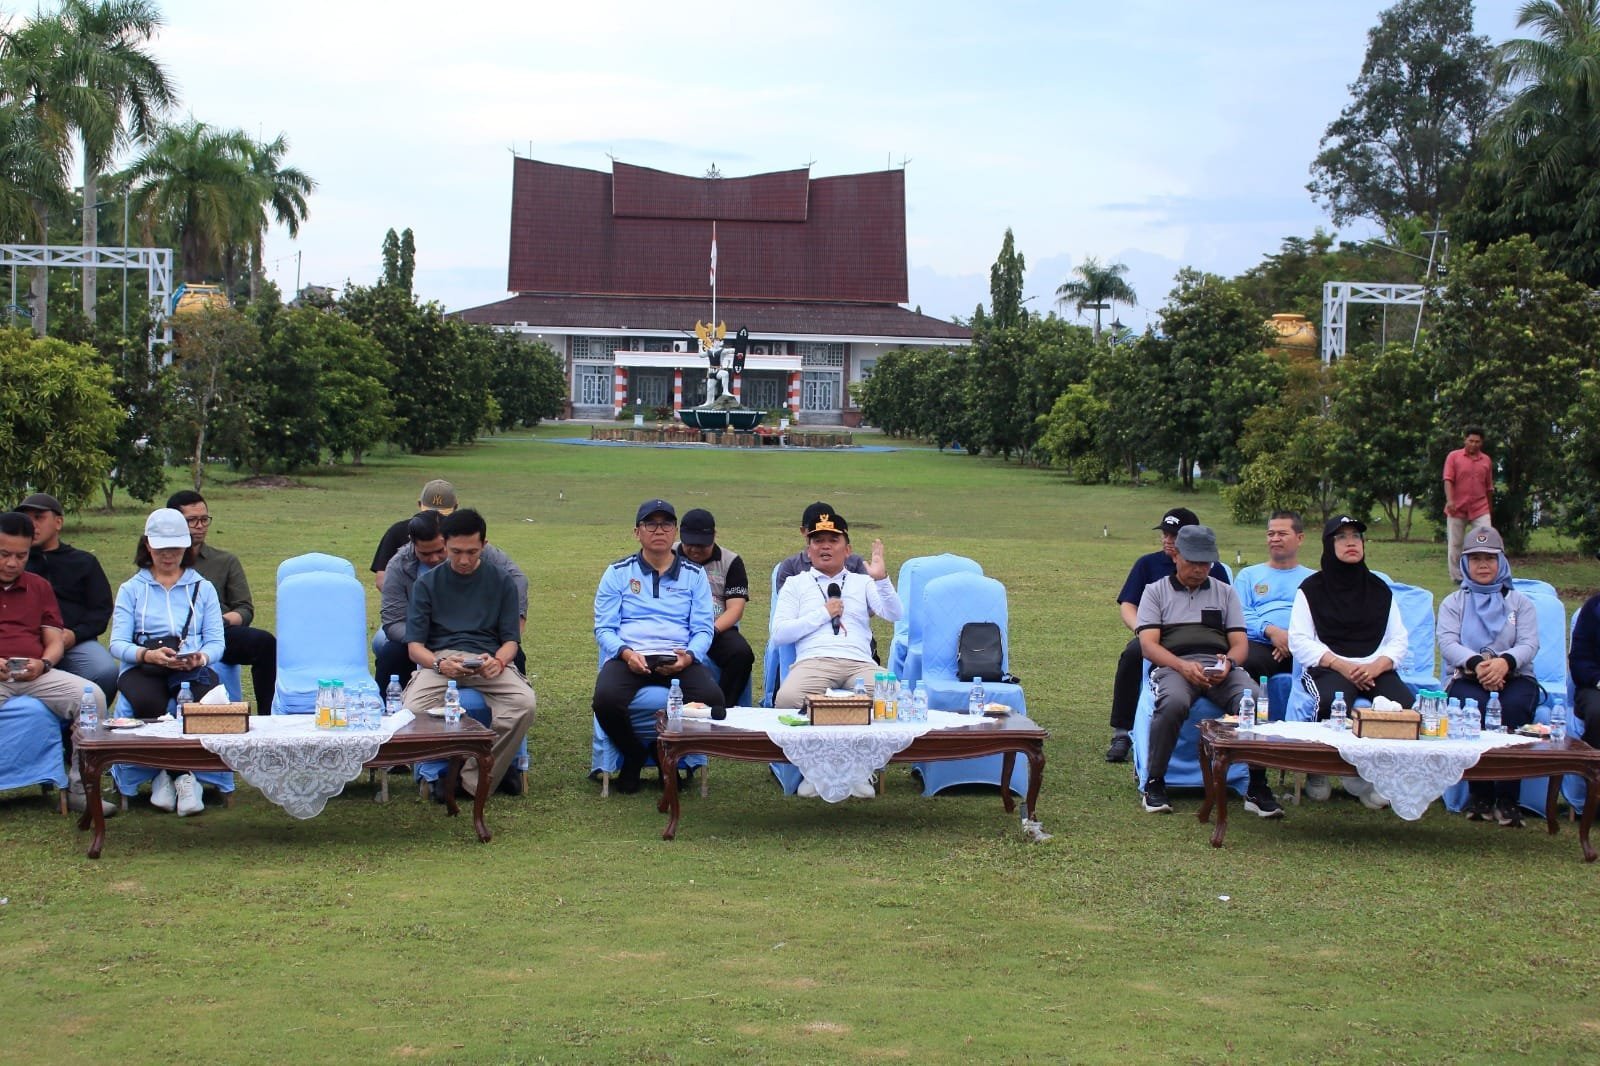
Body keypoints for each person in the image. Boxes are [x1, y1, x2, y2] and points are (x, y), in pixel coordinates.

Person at [1135, 524, 1282, 818]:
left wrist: (1229, 664)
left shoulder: (1225, 592)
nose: (1200, 569)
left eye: (1206, 563)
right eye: (1193, 562)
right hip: (1173, 665)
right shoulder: (1155, 592)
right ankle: (1155, 780)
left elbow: (1240, 644)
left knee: (1253, 700)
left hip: (1218, 666)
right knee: (1173, 702)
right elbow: (1148, 646)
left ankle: (1257, 784)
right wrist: (1181, 666)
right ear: (1176, 555)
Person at [592, 499, 724, 794]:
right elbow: (604, 628)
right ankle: (633, 754)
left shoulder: (694, 574)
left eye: (666, 524)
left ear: (675, 531)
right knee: (605, 700)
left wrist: (689, 657)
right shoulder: (618, 572)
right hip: (631, 655)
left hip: (677, 655)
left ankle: (666, 752)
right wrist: (626, 653)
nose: (659, 530)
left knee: (713, 699)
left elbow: (703, 629)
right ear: (636, 532)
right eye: (650, 524)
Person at [405, 508, 536, 800]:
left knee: (523, 703)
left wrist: (499, 661)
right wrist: (439, 664)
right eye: (456, 552)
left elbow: (511, 641)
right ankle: (441, 771)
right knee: (411, 709)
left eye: (472, 552)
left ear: (484, 546)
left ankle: (472, 779)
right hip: (443, 659)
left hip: (487, 658)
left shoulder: (502, 581)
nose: (464, 560)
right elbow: (415, 647)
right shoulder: (426, 584)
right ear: (444, 545)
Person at [772, 509, 902, 798]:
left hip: (859, 662)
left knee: (893, 695)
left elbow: (894, 614)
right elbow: (779, 633)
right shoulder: (796, 583)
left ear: (848, 549)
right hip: (815, 661)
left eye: (833, 540)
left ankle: (860, 770)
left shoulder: (862, 581)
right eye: (818, 541)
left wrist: (881, 579)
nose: (825, 547)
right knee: (788, 699)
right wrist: (823, 613)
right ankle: (814, 770)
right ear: (809, 550)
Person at [107, 508, 226, 816]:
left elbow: (217, 642)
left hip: (190, 667)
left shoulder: (203, 588)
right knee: (148, 701)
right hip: (145, 667)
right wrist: (146, 655)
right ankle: (177, 775)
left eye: (175, 548)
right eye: (161, 549)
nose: (168, 555)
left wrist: (200, 657)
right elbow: (117, 643)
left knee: (202, 700)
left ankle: (172, 777)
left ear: (186, 547)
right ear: (148, 546)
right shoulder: (132, 589)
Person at [1289, 515, 1409, 808]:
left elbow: (1398, 639)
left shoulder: (1379, 588)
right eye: (1341, 537)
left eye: (1356, 536)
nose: (1351, 542)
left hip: (1374, 668)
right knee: (1332, 701)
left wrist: (1376, 667)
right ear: (1329, 545)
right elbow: (1299, 640)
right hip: (1330, 665)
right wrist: (1341, 665)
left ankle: (1383, 777)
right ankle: (1320, 770)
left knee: (1404, 706)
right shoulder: (1311, 589)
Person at [0, 509, 112, 817]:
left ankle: (81, 788)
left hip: (34, 672)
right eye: (4, 555)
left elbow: (54, 639)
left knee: (91, 698)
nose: (12, 563)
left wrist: (45, 664)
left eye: (21, 556)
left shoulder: (38, 586)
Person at [1105, 507, 1231, 763]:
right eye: (1165, 534)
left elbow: (1225, 611)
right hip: (1154, 634)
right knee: (1132, 654)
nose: (1167, 540)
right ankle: (1122, 732)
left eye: (1174, 535)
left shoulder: (1213, 569)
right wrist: (1143, 630)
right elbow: (1128, 605)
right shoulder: (1147, 564)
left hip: (1200, 640)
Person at [1437, 526, 1540, 826]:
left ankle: (1508, 798)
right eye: (1475, 558)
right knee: (1473, 710)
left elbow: (1529, 643)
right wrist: (1478, 665)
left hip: (1515, 677)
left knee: (1514, 708)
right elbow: (1447, 642)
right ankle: (1480, 795)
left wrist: (1504, 663)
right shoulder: (1454, 602)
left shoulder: (1520, 603)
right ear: (1465, 563)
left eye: (1490, 558)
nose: (1483, 565)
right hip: (1468, 676)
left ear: (1501, 562)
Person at [377, 509, 527, 691]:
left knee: (515, 654)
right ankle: (388, 703)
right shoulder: (398, 565)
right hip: (420, 631)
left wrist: (516, 620)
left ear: (446, 541)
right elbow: (393, 621)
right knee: (390, 653)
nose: (434, 558)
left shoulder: (473, 550)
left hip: (478, 633)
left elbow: (516, 579)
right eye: (425, 554)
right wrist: (427, 637)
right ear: (413, 544)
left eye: (440, 551)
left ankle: (512, 695)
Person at [166, 491, 277, 712]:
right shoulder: (162, 562)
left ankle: (268, 715)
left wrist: (219, 621)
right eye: (192, 520)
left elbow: (244, 609)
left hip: (218, 631)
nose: (200, 526)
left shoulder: (224, 561)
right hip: (172, 634)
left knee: (264, 642)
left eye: (204, 519)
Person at [19, 492, 119, 701]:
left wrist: (74, 635)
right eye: (26, 519)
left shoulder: (83, 562)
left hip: (75, 642)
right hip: (26, 642)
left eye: (38, 517)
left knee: (105, 671)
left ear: (58, 522)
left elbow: (100, 610)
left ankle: (88, 718)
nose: (32, 525)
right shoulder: (15, 563)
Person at [675, 508, 754, 707]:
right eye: (690, 544)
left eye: (702, 545)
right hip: (675, 626)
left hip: (715, 627)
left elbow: (735, 608)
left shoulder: (730, 561)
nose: (695, 550)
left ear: (714, 536)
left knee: (741, 654)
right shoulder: (669, 554)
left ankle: (724, 706)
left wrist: (710, 632)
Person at [1234, 510, 1315, 681]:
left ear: (1300, 538)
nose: (1275, 539)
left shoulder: (1314, 579)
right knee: (1248, 663)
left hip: (1304, 645)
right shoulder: (1248, 575)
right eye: (1271, 534)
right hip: (1261, 643)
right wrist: (1271, 632)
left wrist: (1291, 638)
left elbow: (1321, 616)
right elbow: (1239, 613)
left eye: (1282, 534)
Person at [371, 478, 457, 591]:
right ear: (419, 504)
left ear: (455, 508)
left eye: (442, 515)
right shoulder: (398, 531)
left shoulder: (466, 535)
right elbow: (382, 578)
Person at [1443, 427, 1494, 583]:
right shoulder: (1454, 457)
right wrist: (1450, 500)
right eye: (1471, 441)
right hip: (1457, 507)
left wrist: (1489, 508)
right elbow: (1448, 480)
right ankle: (1457, 577)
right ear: (1465, 440)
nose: (1473, 444)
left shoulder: (1486, 460)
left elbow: (1489, 487)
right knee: (1455, 544)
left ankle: (1482, 574)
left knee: (1485, 541)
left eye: (1477, 442)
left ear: (1482, 443)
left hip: (1480, 508)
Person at [1571, 591, 1600, 743]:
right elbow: (1579, 659)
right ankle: (1593, 757)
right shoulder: (1594, 607)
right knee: (1597, 712)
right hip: (1595, 685)